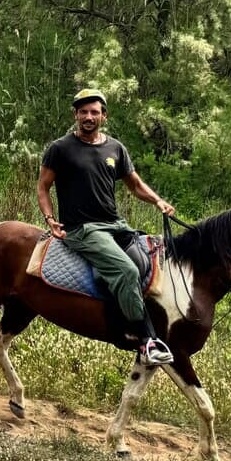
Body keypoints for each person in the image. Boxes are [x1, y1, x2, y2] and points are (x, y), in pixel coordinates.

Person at [37, 88, 177, 367]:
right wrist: (51, 220)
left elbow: (135, 185)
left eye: (94, 112)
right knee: (125, 271)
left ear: (104, 116)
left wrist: (158, 201)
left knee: (152, 255)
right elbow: (43, 186)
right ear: (75, 114)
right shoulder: (60, 149)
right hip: (82, 230)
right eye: (83, 112)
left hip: (115, 225)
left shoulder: (115, 148)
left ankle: (129, 317)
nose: (89, 117)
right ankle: (147, 340)